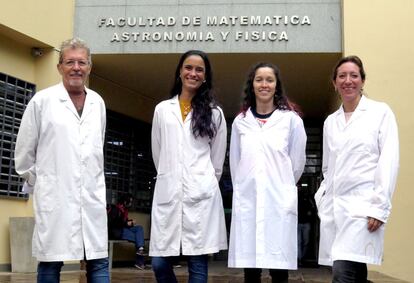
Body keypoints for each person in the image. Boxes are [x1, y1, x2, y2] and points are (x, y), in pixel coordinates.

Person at [14, 38, 109, 283]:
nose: (76, 67)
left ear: (89, 67)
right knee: (50, 262)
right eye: (70, 62)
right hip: (54, 198)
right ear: (59, 67)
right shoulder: (42, 101)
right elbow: (24, 155)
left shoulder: (98, 103)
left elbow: (96, 147)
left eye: (81, 62)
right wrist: (45, 182)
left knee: (98, 262)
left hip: (91, 199)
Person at [314, 55, 399, 283]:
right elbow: (328, 168)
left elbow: (389, 161)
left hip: (363, 207)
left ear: (363, 80)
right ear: (334, 83)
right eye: (342, 76)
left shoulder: (380, 113)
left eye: (354, 75)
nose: (348, 80)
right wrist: (322, 197)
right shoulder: (330, 122)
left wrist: (379, 207)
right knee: (354, 270)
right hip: (335, 207)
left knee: (342, 273)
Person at [150, 50, 228, 283]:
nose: (193, 73)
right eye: (188, 68)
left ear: (205, 76)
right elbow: (158, 152)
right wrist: (171, 176)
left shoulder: (215, 113)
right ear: (180, 72)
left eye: (199, 70)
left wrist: (201, 181)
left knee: (197, 263)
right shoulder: (163, 109)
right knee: (159, 261)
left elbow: (217, 161)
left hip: (201, 195)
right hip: (169, 192)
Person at [228, 62, 307, 283]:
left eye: (269, 80)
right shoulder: (240, 122)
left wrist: (280, 186)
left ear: (276, 86)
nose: (264, 84)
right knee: (250, 271)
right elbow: (236, 164)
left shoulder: (291, 121)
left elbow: (297, 163)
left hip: (278, 202)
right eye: (259, 80)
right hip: (249, 201)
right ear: (252, 85)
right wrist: (247, 187)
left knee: (278, 270)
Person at [107, 194, 146, 269]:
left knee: (139, 228)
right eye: (130, 202)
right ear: (125, 201)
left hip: (124, 229)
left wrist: (130, 222)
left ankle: (140, 250)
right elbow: (113, 223)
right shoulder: (116, 209)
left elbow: (124, 222)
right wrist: (126, 223)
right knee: (139, 239)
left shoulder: (124, 210)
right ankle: (139, 262)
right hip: (117, 231)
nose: (131, 204)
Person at [297, 186, 316, 266]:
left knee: (306, 242)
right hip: (298, 222)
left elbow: (313, 208)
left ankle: (302, 257)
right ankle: (299, 258)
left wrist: (310, 213)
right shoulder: (294, 197)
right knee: (299, 242)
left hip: (306, 222)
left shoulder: (307, 197)